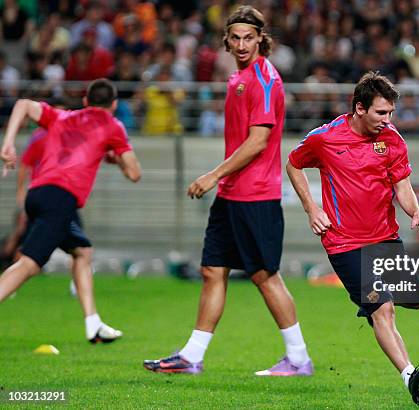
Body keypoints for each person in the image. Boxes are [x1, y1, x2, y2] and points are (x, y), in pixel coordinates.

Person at [143, 5, 312, 376]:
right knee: (211, 270)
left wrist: (212, 176)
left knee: (265, 276)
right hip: (232, 195)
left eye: (248, 38)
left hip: (257, 195)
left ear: (260, 39)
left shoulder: (265, 80)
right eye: (234, 38)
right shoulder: (238, 78)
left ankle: (299, 359)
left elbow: (257, 142)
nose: (241, 44)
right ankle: (191, 356)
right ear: (226, 40)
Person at [286, 72, 419, 404]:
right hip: (344, 243)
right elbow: (294, 164)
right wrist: (312, 208)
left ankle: (372, 307)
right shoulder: (325, 138)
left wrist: (416, 212)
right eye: (381, 113)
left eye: (391, 113)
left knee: (412, 299)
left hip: (384, 237)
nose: (388, 120)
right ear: (359, 108)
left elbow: (402, 185)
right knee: (383, 309)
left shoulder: (393, 139)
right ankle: (410, 375)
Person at [0, 79, 142, 343]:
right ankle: (92, 323)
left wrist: (8, 144)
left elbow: (22, 105)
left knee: (82, 251)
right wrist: (115, 158)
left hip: (39, 193)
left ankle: (93, 324)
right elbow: (135, 173)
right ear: (114, 104)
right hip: (61, 199)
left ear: (86, 101)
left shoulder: (61, 116)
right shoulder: (113, 126)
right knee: (29, 265)